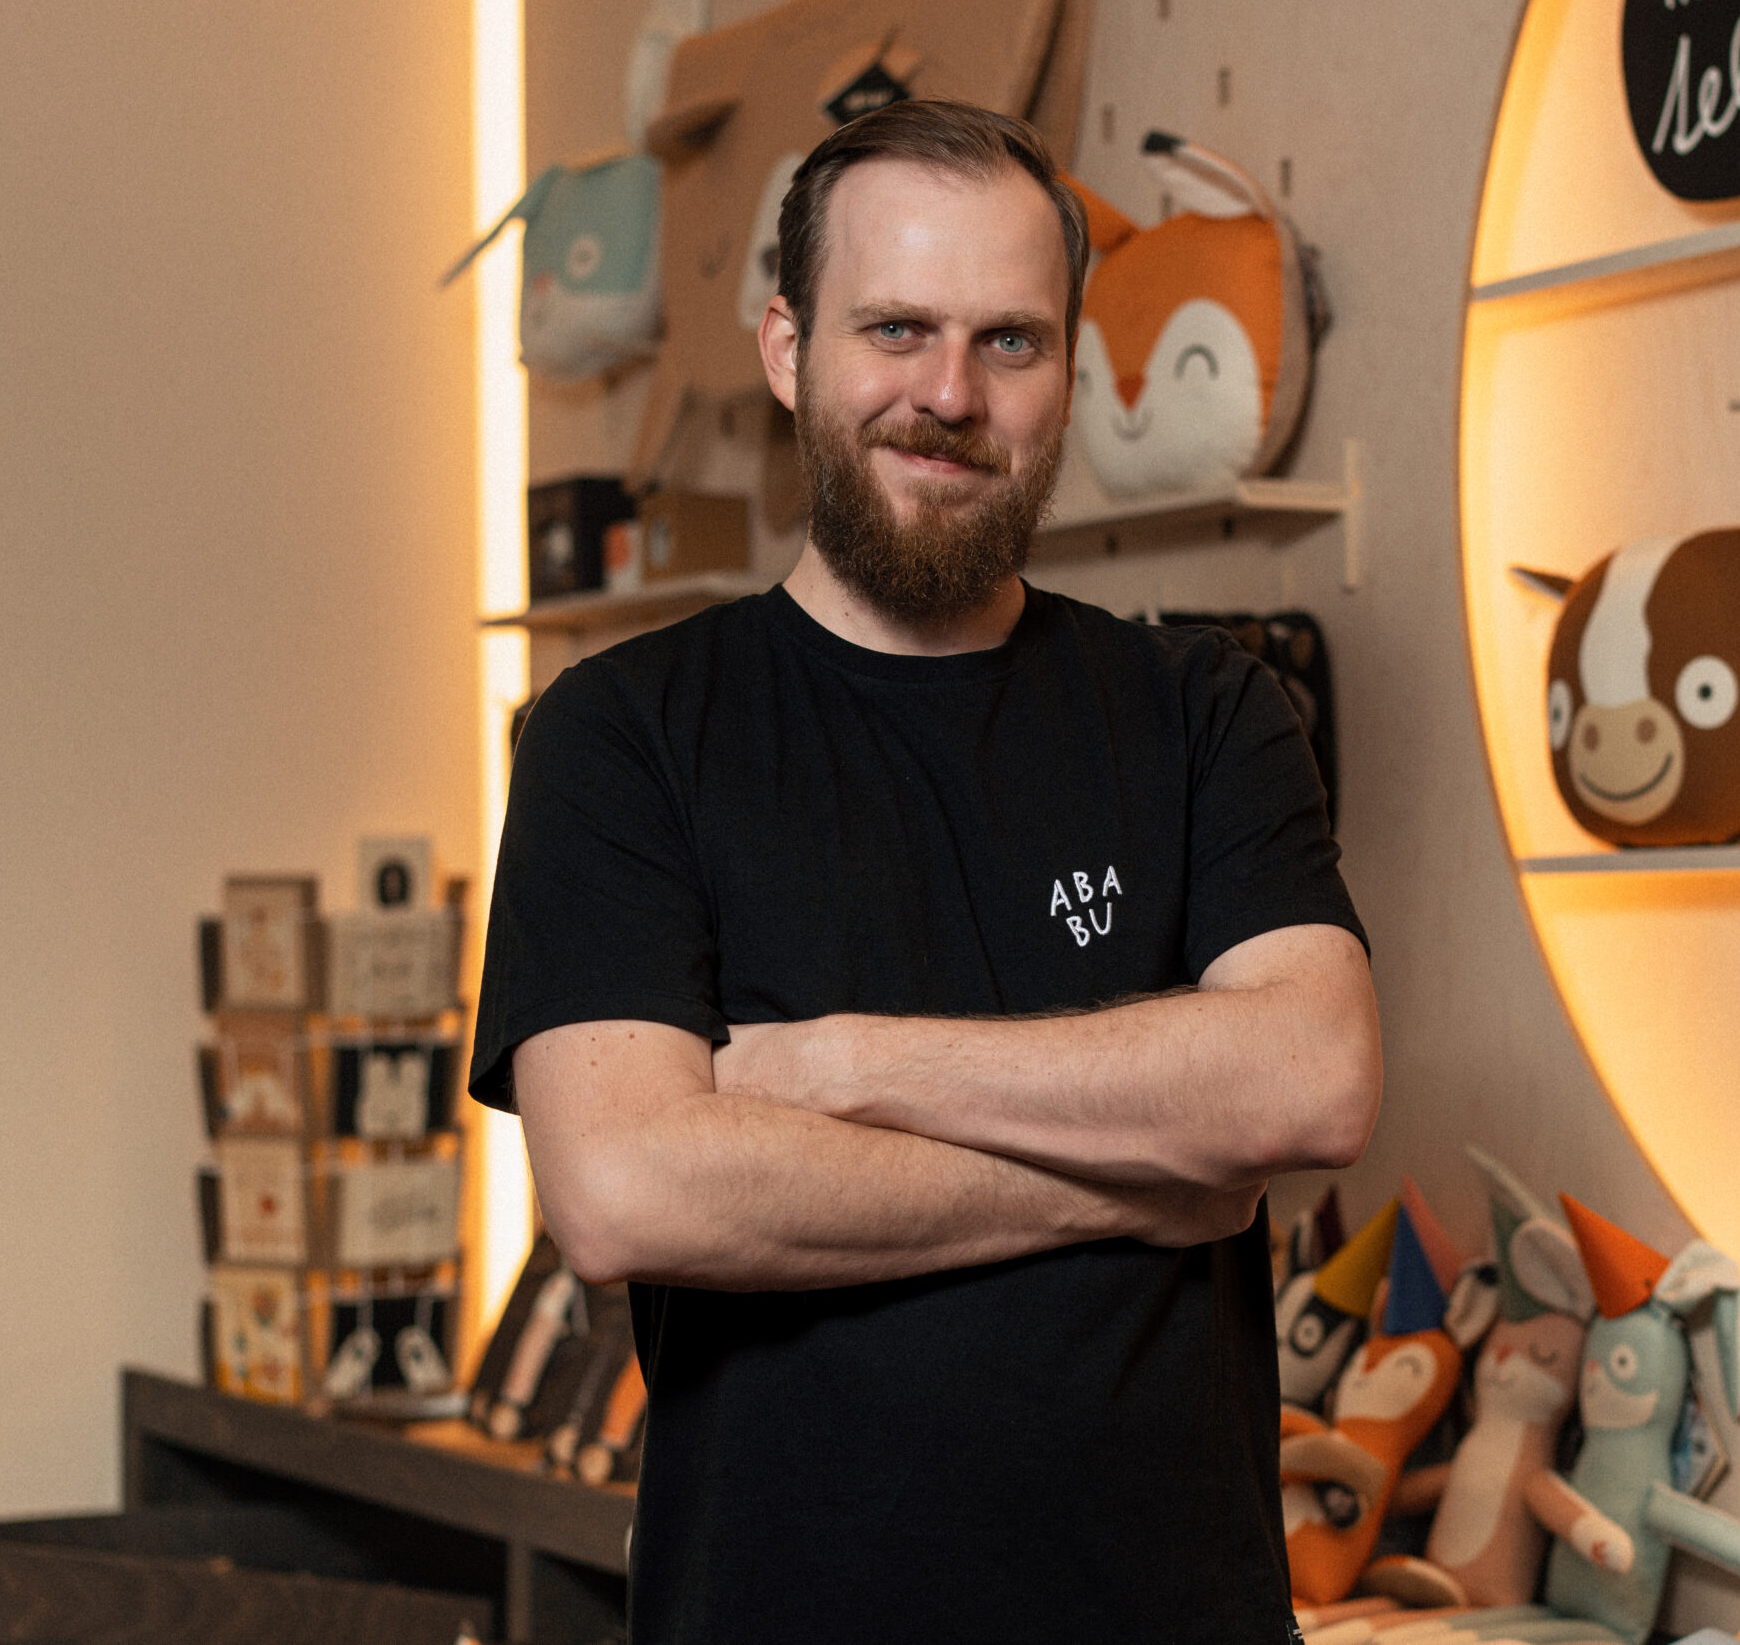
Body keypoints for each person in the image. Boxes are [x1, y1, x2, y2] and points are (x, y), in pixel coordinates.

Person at [470, 99, 1380, 1644]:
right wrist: (1140, 1184)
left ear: (1067, 370)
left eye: (1010, 341)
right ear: (788, 349)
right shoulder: (622, 735)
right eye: (895, 329)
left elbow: (1311, 1082)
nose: (950, 394)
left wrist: (839, 1068)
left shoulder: (1204, 712)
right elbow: (626, 1190)